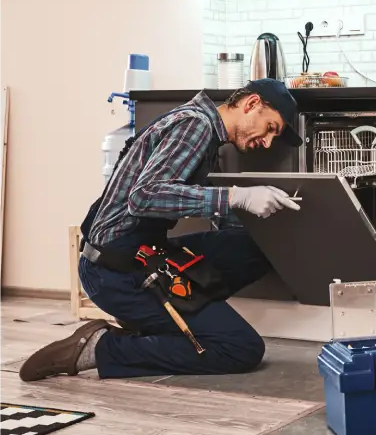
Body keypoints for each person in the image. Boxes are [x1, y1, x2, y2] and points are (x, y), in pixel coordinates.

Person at [20, 79, 305, 382]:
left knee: (251, 248)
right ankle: (100, 347)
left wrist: (252, 215)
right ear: (252, 104)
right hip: (116, 275)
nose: (268, 142)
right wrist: (237, 196)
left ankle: (166, 320)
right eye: (271, 128)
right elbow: (144, 197)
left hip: (139, 257)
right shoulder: (195, 127)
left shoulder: (198, 126)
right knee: (240, 347)